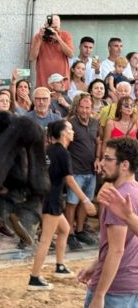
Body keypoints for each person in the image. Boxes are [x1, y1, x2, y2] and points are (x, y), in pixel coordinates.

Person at [77, 138, 138, 308]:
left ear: (124, 165)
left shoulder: (117, 198)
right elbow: (129, 243)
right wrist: (95, 265)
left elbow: (118, 249)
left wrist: (100, 294)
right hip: (135, 286)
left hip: (114, 287)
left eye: (107, 158)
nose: (102, 163)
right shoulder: (136, 191)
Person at [28, 120, 96, 290]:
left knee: (65, 230)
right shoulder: (62, 153)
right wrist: (86, 200)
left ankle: (59, 266)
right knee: (45, 240)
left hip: (49, 197)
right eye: (71, 129)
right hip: (52, 199)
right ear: (64, 133)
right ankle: (34, 278)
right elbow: (69, 179)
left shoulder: (49, 150)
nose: (73, 132)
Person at [64, 93, 99, 251]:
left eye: (88, 107)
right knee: (72, 203)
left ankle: (79, 231)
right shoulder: (70, 123)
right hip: (75, 170)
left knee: (85, 203)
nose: (85, 110)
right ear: (77, 107)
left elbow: (98, 142)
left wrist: (98, 158)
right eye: (82, 107)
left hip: (91, 170)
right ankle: (69, 234)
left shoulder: (95, 123)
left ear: (91, 108)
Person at [29, 14, 74, 88]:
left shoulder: (65, 35)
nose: (53, 30)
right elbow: (31, 58)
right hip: (43, 83)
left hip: (62, 84)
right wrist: (40, 39)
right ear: (46, 26)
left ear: (60, 27)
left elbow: (71, 54)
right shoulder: (38, 36)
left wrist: (58, 39)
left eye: (56, 28)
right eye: (51, 28)